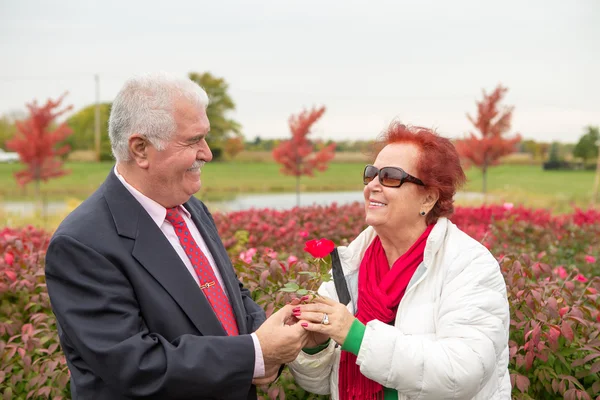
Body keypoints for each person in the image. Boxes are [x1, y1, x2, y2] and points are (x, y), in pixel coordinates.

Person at [45, 73, 307, 400]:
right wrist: (254, 353)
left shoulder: (190, 209)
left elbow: (228, 294)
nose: (207, 153)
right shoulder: (82, 243)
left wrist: (268, 333)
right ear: (140, 149)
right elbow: (136, 365)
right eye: (193, 140)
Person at [288, 123, 511, 399]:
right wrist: (314, 347)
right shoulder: (350, 265)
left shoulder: (468, 265)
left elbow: (463, 371)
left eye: (390, 177)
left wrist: (357, 336)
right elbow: (322, 384)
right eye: (370, 174)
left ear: (428, 198)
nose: (372, 186)